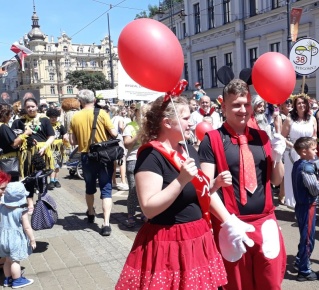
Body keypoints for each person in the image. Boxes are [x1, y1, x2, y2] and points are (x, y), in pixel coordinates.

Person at [116, 96, 244, 289]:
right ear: (167, 122)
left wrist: (215, 188)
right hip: (167, 241)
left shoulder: (188, 150)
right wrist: (181, 180)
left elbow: (198, 194)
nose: (191, 123)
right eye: (185, 118)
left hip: (197, 236)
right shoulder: (151, 156)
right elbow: (149, 208)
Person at [199, 79, 287, 289]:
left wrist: (277, 157)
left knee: (270, 283)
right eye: (236, 104)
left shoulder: (262, 137)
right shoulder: (211, 140)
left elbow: (276, 180)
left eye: (246, 104)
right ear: (224, 107)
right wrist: (228, 222)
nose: (243, 109)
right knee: (237, 285)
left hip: (265, 222)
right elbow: (205, 189)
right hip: (231, 225)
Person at [69, 89, 118, 236]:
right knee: (106, 189)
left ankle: (91, 212)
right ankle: (106, 224)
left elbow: (73, 141)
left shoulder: (75, 117)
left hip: (86, 156)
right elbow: (114, 133)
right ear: (94, 100)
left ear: (81, 102)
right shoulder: (102, 113)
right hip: (104, 157)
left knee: (89, 187)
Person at [292, 137, 319, 281]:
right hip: (307, 206)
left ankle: (300, 260)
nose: (316, 151)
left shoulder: (298, 164)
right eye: (313, 149)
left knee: (305, 235)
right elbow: (315, 189)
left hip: (301, 205)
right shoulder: (306, 168)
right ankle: (304, 271)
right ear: (304, 152)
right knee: (308, 239)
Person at [281, 94, 317, 208]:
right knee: (295, 179)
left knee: (308, 177)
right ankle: (296, 204)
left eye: (303, 103)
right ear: (295, 106)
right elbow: (283, 136)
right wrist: (295, 146)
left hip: (309, 152)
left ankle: (307, 202)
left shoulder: (312, 119)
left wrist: (310, 146)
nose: (301, 105)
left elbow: (315, 135)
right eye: (299, 103)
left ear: (307, 104)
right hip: (293, 152)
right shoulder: (290, 119)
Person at [0, 182, 36, 288]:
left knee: (7, 259)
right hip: (15, 239)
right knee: (15, 261)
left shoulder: (2, 208)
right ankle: (17, 280)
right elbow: (27, 227)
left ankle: (7, 279)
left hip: (3, 238)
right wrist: (32, 240)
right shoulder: (21, 211)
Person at [11, 98, 55, 178]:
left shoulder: (44, 119)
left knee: (41, 179)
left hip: (42, 152)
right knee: (28, 178)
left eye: (32, 106)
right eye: (28, 107)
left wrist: (44, 147)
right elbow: (14, 139)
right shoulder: (19, 121)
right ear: (24, 108)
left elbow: (51, 136)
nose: (30, 109)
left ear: (37, 107)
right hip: (26, 154)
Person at [122, 103, 147, 228]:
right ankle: (131, 214)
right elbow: (127, 145)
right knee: (133, 190)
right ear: (136, 112)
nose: (143, 115)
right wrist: (138, 134)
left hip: (147, 159)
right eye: (141, 112)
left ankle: (144, 212)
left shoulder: (150, 126)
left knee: (146, 189)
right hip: (133, 159)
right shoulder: (130, 126)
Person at [0, 105, 33, 181]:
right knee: (11, 182)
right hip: (8, 161)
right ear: (5, 115)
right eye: (10, 114)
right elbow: (14, 143)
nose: (11, 116)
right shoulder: (3, 127)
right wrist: (26, 133)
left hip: (5, 160)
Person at [45, 108, 67, 190]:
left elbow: (64, 134)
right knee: (51, 165)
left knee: (57, 165)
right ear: (49, 117)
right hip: (49, 148)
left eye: (55, 117)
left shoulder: (60, 126)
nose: (53, 118)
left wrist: (65, 139)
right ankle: (51, 180)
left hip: (58, 149)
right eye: (51, 117)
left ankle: (56, 180)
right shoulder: (47, 126)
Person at [110, 106, 129, 192]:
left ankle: (113, 181)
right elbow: (121, 127)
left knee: (114, 161)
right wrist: (126, 129)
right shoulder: (120, 118)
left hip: (112, 140)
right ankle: (123, 181)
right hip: (119, 139)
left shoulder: (111, 119)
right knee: (122, 160)